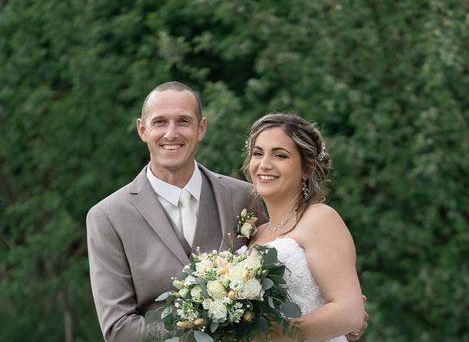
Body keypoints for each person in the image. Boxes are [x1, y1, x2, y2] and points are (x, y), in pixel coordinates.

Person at [86, 82, 255, 342]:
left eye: (183, 121)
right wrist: (207, 324)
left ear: (201, 128)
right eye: (160, 122)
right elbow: (119, 331)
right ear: (142, 130)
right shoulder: (107, 216)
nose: (171, 133)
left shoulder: (243, 196)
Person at [242, 113, 366, 342]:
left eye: (280, 155)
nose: (264, 164)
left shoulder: (320, 219)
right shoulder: (255, 233)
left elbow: (350, 312)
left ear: (307, 168)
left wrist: (272, 335)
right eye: (258, 153)